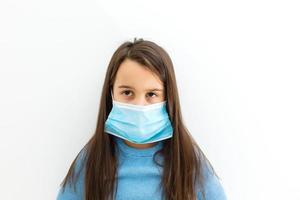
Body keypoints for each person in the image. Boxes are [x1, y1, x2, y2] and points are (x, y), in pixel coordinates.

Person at [56, 38, 227, 200]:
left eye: (151, 94)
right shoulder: (92, 160)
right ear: (111, 94)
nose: (139, 105)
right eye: (127, 93)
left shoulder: (188, 160)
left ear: (168, 96)